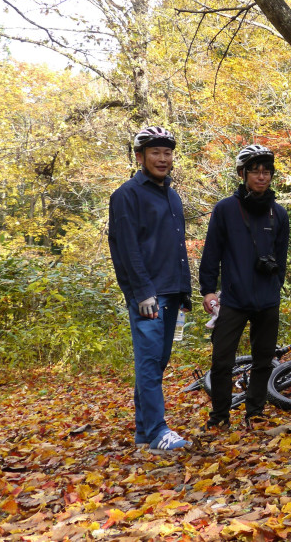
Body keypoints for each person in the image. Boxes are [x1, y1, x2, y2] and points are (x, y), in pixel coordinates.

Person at [108, 126, 193, 453]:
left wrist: (185, 291)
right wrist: (142, 292)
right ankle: (158, 429)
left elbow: (177, 247)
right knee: (148, 361)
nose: (162, 158)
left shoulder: (172, 196)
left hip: (172, 291)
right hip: (148, 294)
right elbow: (127, 248)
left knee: (158, 361)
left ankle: (145, 432)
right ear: (140, 156)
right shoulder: (126, 195)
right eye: (155, 152)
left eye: (167, 152)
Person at [199, 144, 290, 429]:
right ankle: (220, 417)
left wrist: (276, 287)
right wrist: (208, 290)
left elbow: (282, 258)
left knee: (264, 360)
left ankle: (255, 413)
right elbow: (211, 251)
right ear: (242, 174)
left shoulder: (279, 214)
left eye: (267, 172)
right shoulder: (226, 209)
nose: (262, 177)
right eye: (255, 171)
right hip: (234, 299)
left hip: (267, 299)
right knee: (222, 361)